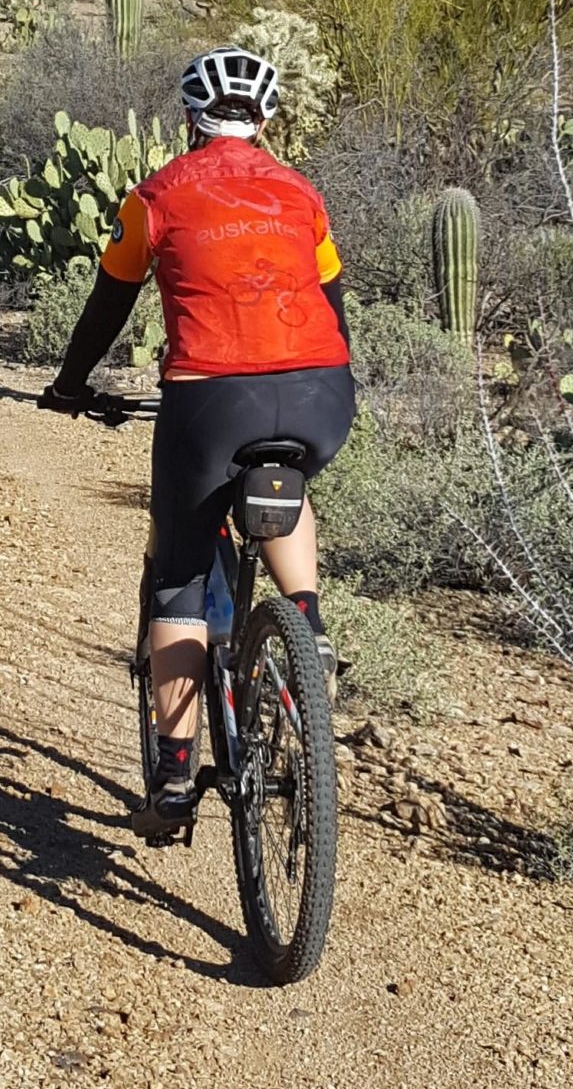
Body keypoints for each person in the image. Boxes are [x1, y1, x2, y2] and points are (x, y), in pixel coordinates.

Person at [44, 46, 355, 835]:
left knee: (179, 581)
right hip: (322, 392)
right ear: (265, 118)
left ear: (188, 116)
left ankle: (175, 785)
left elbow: (108, 301)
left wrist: (70, 385)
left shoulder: (155, 197)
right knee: (292, 487)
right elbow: (331, 297)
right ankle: (306, 626)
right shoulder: (300, 194)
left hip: (210, 400)